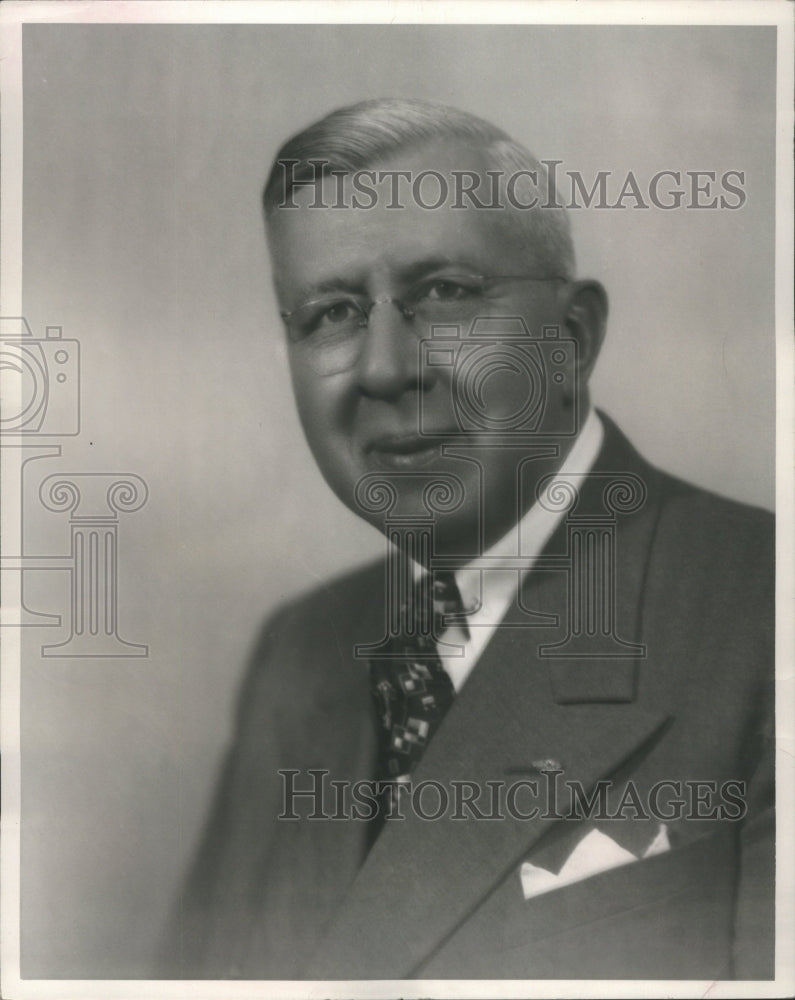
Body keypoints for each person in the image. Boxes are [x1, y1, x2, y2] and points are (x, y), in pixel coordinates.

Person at [161, 99, 774, 980]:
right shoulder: (295, 656)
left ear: (571, 339)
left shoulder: (762, 616)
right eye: (329, 312)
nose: (382, 368)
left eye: (445, 293)